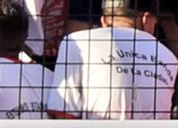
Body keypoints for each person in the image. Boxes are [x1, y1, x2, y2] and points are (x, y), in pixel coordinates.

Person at [48, 0, 177, 119]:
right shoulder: (170, 58)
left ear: (104, 21)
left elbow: (63, 113)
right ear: (146, 19)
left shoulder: (76, 41)